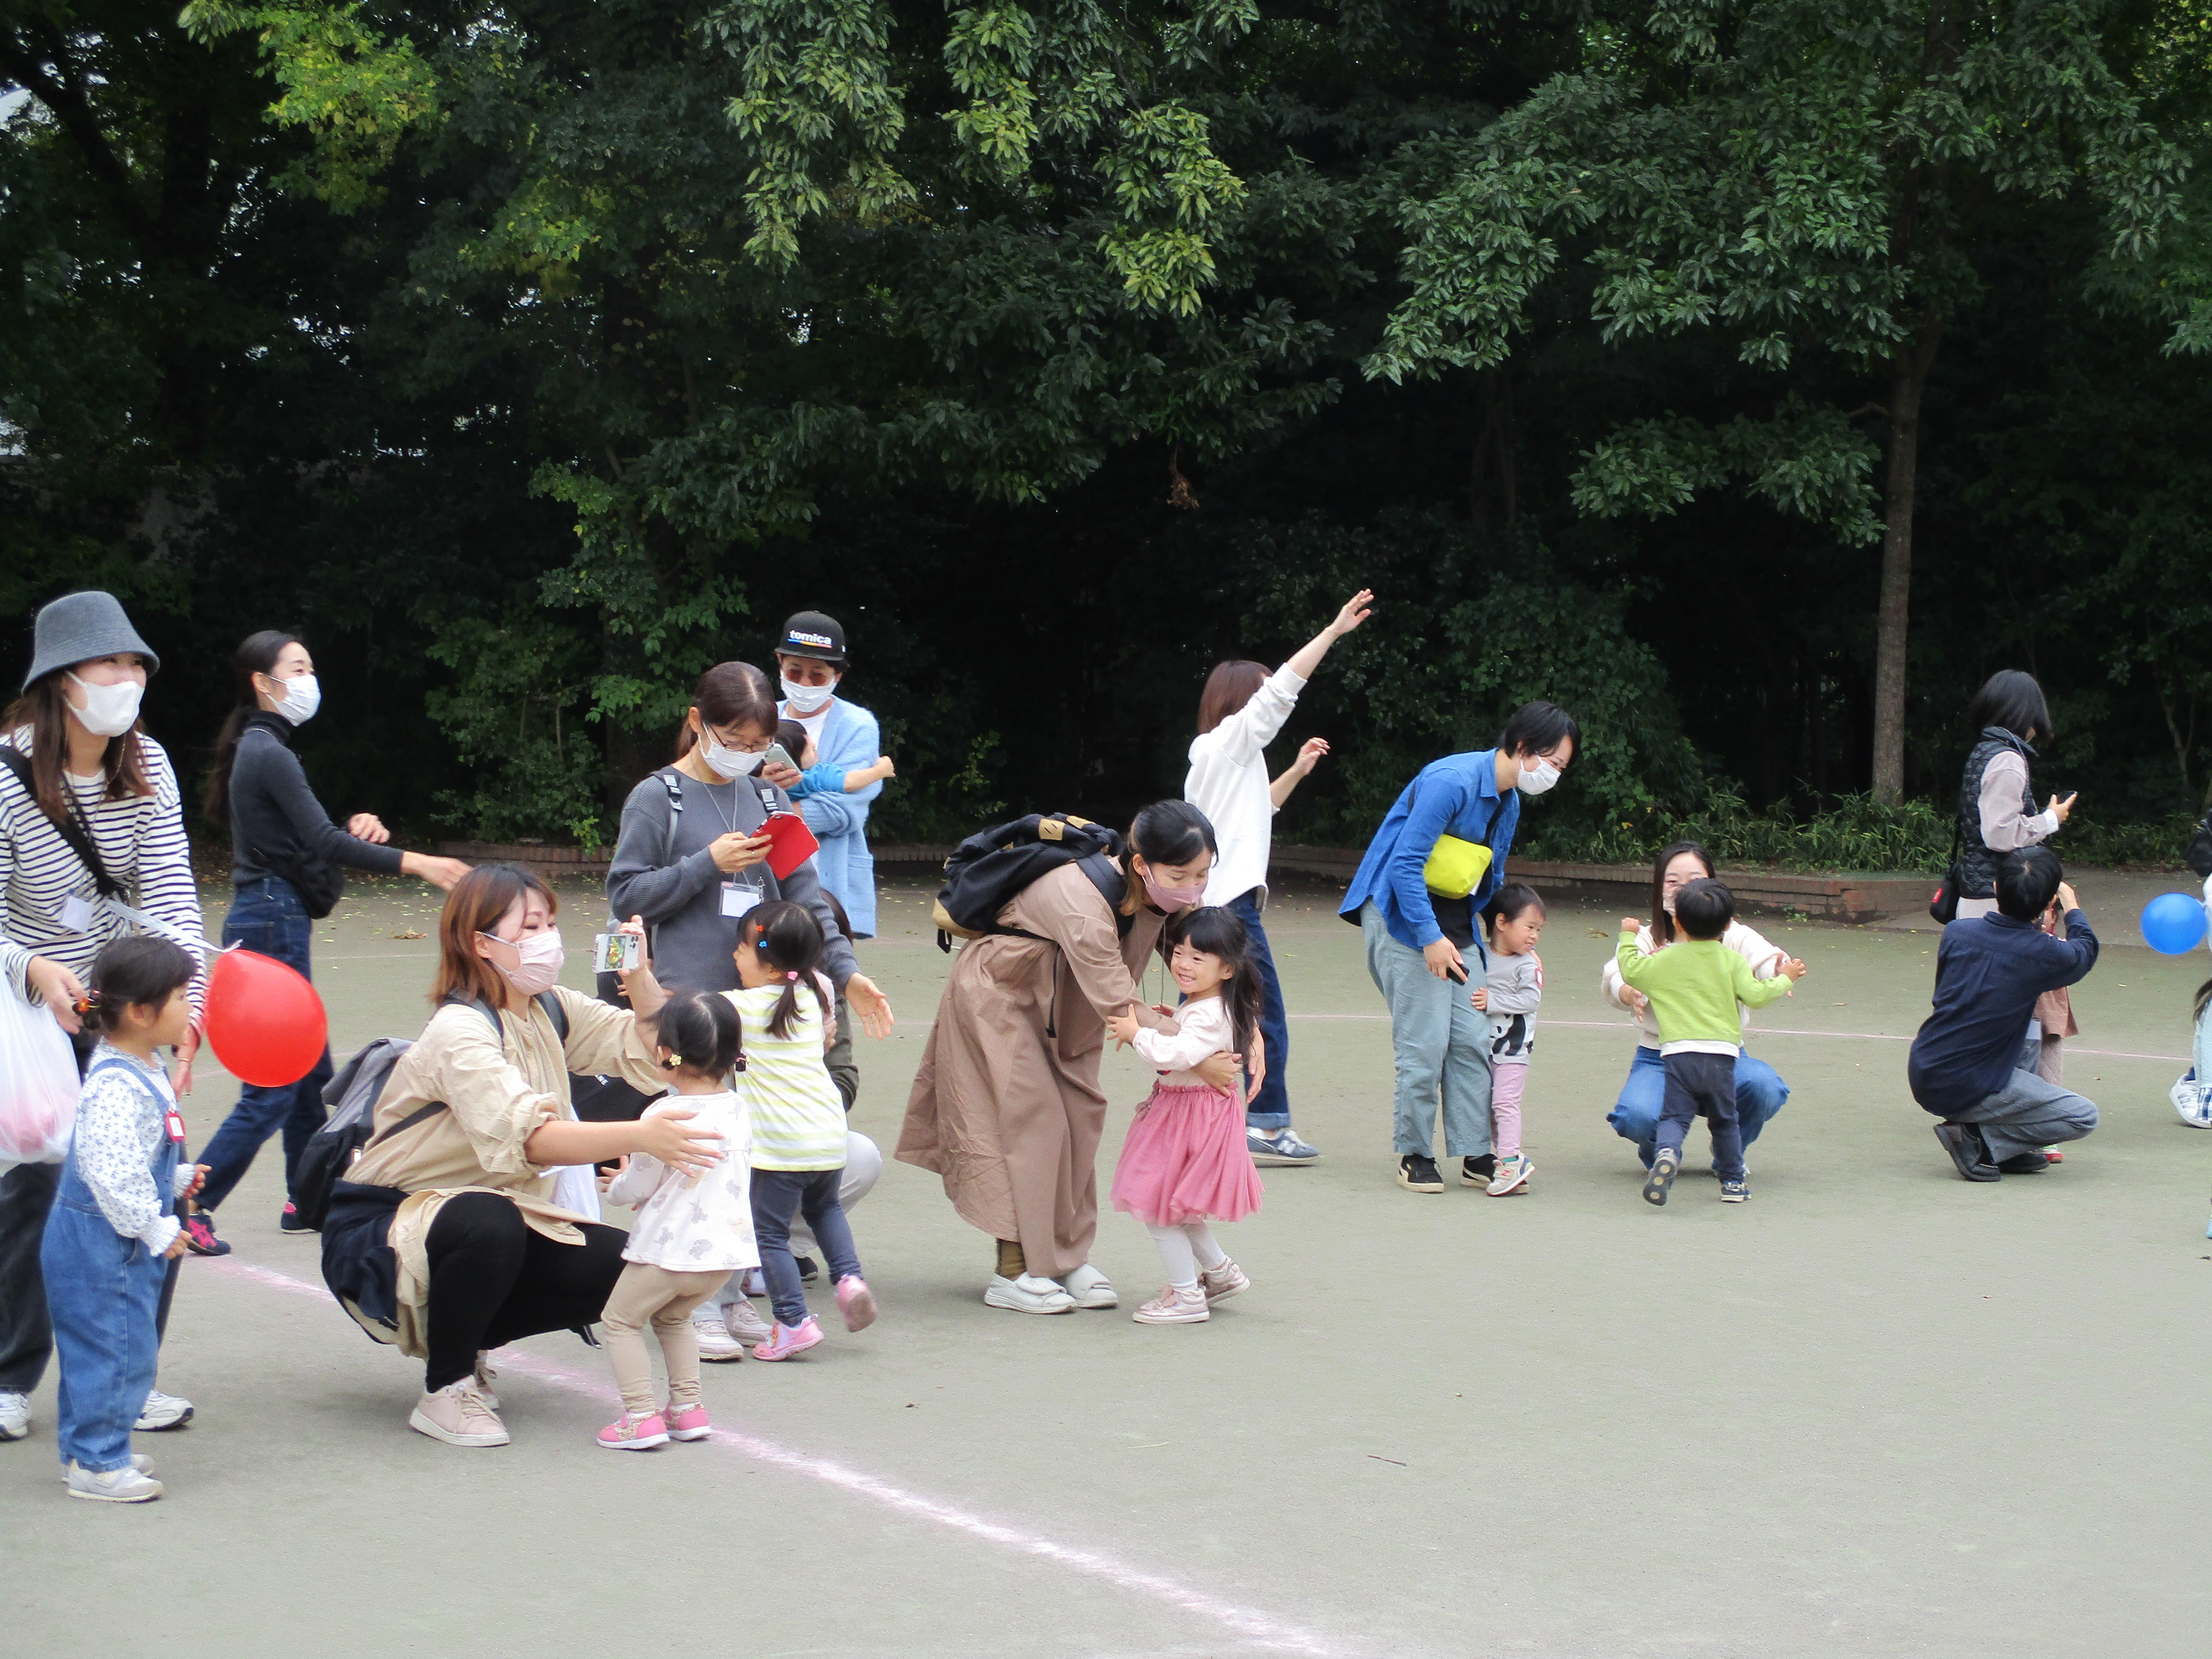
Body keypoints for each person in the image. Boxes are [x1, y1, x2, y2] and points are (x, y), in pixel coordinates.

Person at [325, 864, 731, 1448]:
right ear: (480, 943)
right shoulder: (459, 1031)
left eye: (550, 923)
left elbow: (662, 1056)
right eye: (531, 925)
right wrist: (642, 1136)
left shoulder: (548, 1008)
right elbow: (533, 1141)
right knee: (488, 1222)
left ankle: (465, 1340)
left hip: (481, 1221)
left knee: (627, 1269)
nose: (548, 938)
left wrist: (639, 976)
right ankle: (446, 1388)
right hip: (381, 1233)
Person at [605, 661, 893, 1360]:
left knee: (747, 1160)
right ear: (698, 721)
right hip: (683, 1017)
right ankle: (691, 1302)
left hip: (753, 1028)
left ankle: (731, 1292)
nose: (744, 751)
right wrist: (708, 861)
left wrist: (847, 974)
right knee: (694, 1158)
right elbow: (625, 897)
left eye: (758, 742)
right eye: (732, 735)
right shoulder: (659, 796)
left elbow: (807, 894)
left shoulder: (767, 801)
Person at [898, 800, 1248, 1314]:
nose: (1192, 888)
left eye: (1202, 874)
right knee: (1026, 1128)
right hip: (1001, 999)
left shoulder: (1163, 895)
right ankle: (1013, 1271)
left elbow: (1216, 960)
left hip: (1070, 1010)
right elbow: (1117, 1000)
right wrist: (1197, 1053)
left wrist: (1245, 1028)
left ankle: (1063, 1257)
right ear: (1140, 864)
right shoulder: (1082, 902)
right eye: (1181, 875)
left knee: (1079, 1121)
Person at [0, 591, 204, 1449]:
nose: (128, 679)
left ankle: (128, 1375)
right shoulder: (8, 775)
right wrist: (34, 968)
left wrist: (184, 1007)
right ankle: (11, 1376)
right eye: (109, 664)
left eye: (136, 665)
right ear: (60, 681)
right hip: (24, 1002)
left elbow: (171, 900)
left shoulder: (145, 766)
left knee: (151, 1180)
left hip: (122, 1003)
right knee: (38, 1191)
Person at [188, 630, 470, 1251]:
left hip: (272, 915)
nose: (310, 677)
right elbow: (320, 845)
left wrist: (355, 833)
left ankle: (306, 1197)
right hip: (269, 919)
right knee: (273, 1085)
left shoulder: (261, 750)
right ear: (264, 683)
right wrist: (418, 863)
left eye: (310, 665)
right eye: (298, 667)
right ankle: (192, 1201)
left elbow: (311, 845)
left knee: (309, 1066)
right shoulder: (267, 752)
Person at [1337, 700, 1579, 1194]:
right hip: (1401, 916)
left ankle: (1476, 1153)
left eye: (1561, 769)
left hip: (1458, 921)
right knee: (1424, 1044)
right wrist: (1430, 938)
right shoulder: (1452, 781)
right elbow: (1405, 865)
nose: (1553, 775)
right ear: (1522, 748)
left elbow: (1493, 881)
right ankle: (1415, 1153)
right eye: (1551, 763)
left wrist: (1510, 945)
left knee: (1471, 1038)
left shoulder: (1508, 802)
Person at [1184, 588, 1373, 1168]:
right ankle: (1265, 1127)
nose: (1270, 696)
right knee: (1266, 1018)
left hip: (1213, 910)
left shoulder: (1215, 757)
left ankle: (1212, 1124)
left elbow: (1252, 815)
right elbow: (1284, 691)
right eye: (1259, 690)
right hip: (1231, 911)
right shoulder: (1232, 743)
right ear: (1242, 701)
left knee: (1224, 1020)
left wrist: (1295, 771)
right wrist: (1334, 631)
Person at [40, 937, 202, 1501]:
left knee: (106, 1346)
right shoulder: (116, 1083)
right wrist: (155, 1224)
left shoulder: (140, 1062)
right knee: (116, 1347)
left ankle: (89, 1448)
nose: (191, 1007)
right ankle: (97, 1462)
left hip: (109, 1234)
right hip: (102, 1240)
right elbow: (111, 1172)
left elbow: (137, 1153)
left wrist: (176, 1179)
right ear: (140, 1012)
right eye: (182, 997)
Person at [595, 991, 755, 1450]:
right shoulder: (738, 1110)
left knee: (621, 1320)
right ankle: (687, 1409)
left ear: (666, 1053)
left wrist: (620, 1184)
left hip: (670, 1250)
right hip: (724, 1256)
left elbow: (640, 1184)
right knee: (674, 1317)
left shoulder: (664, 1113)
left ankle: (640, 1415)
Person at [726, 901, 875, 1359]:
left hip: (780, 1145)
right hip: (828, 1134)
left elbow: (688, 1023)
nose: (733, 955)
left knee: (769, 1234)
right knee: (825, 1209)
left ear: (769, 965)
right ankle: (849, 1279)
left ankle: (792, 1321)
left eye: (743, 948)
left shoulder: (742, 1007)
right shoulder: (815, 998)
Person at [1105, 905, 1266, 1325]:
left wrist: (1136, 1032)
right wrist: (1171, 1019)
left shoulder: (1207, 1012)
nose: (1183, 964)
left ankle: (1186, 1298)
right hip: (1194, 1113)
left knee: (1155, 1205)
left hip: (1187, 1117)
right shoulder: (1211, 1005)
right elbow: (1189, 1040)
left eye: (1198, 958)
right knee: (1176, 1206)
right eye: (1179, 953)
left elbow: (1176, 1055)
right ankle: (1220, 1274)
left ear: (1227, 969)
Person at [1600, 841, 1795, 1171]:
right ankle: (1657, 1154)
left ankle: (1729, 1156)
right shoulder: (1649, 938)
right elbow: (1616, 974)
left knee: (1766, 1088)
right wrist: (1628, 991)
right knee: (1636, 1117)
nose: (1682, 890)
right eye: (1672, 881)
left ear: (1713, 886)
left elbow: (1763, 958)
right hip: (1660, 1058)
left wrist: (1777, 970)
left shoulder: (1733, 935)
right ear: (1660, 889)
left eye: (1693, 880)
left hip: (1724, 1056)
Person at [1910, 847, 2100, 1181]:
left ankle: (2003, 1148)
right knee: (2083, 1116)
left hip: (1926, 1065)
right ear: (2046, 905)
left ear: (1996, 888)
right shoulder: (2042, 952)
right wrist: (2071, 905)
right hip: (1965, 1084)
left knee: (2028, 1023)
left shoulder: (1957, 932)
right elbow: (2084, 952)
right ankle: (1981, 1141)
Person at [774, 612, 886, 939]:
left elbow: (843, 811)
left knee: (828, 976)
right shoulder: (764, 717)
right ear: (780, 663)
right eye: (795, 671)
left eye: (818, 676)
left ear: (837, 676)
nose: (805, 684)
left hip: (830, 879)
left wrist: (770, 812)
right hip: (768, 875)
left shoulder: (858, 725)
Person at [1471, 884, 1544, 1197]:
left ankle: (1511, 1160)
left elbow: (1531, 1001)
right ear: (1502, 923)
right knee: (1489, 1106)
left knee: (1505, 1103)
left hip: (1513, 1050)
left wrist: (1494, 1001)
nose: (1534, 937)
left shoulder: (1528, 964)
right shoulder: (1480, 956)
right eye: (1530, 927)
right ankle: (1507, 1160)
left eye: (1539, 930)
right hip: (1485, 1048)